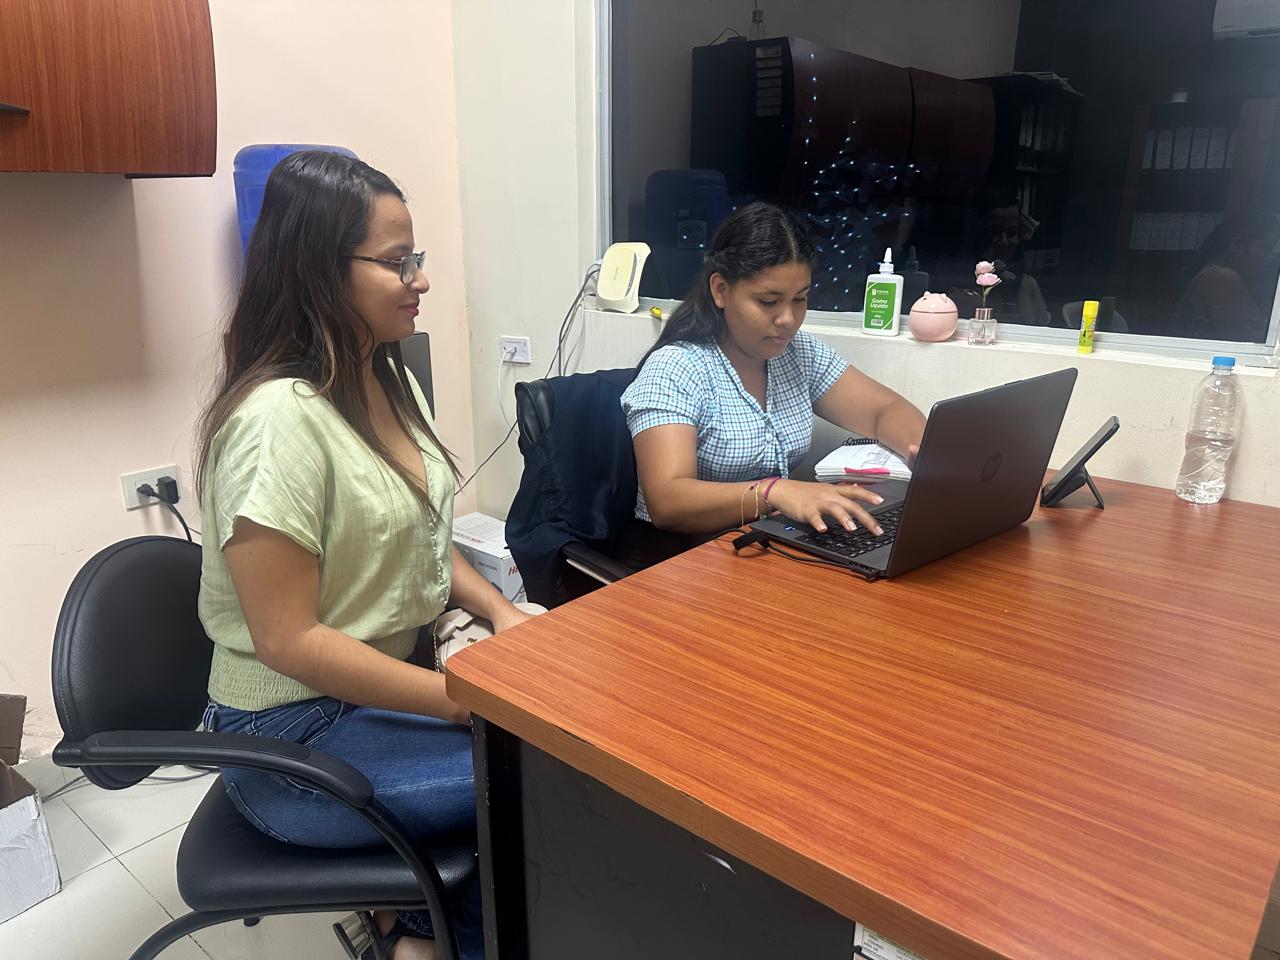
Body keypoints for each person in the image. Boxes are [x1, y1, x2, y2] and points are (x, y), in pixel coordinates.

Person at [195, 151, 531, 960]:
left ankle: (409, 924)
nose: (420, 280)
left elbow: (422, 537)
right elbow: (288, 642)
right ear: (320, 269)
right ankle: (422, 937)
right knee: (533, 777)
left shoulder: (389, 378)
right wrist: (460, 700)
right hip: (289, 737)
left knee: (544, 751)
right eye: (397, 261)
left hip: (375, 691)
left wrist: (501, 611)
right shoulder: (277, 423)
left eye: (417, 258)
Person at [619, 202, 926, 565]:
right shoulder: (677, 368)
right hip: (677, 561)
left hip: (758, 545)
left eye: (800, 299)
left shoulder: (797, 353)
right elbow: (668, 502)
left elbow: (883, 410)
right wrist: (774, 493)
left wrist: (926, 453)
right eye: (768, 302)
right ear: (721, 290)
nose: (788, 319)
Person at [1172, 212, 1280, 342]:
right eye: (1265, 248)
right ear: (1237, 246)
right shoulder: (1221, 277)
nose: (1270, 257)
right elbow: (1240, 338)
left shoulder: (1224, 274)